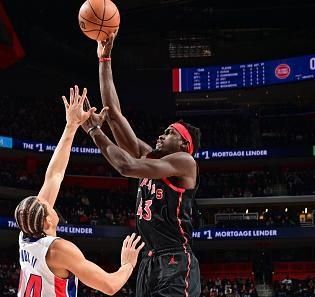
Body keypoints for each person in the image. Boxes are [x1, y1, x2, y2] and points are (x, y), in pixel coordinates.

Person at [81, 32, 202, 297]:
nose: (162, 134)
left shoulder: (184, 162)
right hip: (148, 261)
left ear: (184, 145)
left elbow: (126, 167)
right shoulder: (151, 156)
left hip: (176, 261)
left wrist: (94, 132)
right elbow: (113, 114)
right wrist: (105, 59)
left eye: (170, 132)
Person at [14, 86, 144, 297]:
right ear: (47, 221)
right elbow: (110, 286)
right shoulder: (59, 250)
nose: (49, 201)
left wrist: (71, 126)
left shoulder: (26, 234)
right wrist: (127, 264)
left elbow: (54, 175)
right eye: (47, 206)